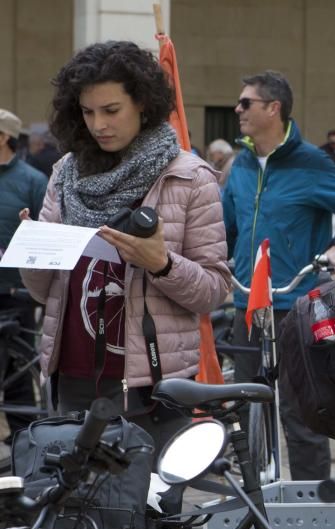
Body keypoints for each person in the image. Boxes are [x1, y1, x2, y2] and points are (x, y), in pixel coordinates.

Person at [18, 40, 230, 465]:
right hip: (72, 376)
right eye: (88, 111)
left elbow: (214, 291)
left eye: (111, 110)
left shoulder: (189, 178)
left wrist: (162, 264)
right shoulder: (64, 173)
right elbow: (44, 293)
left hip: (151, 386)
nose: (98, 124)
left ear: (144, 105)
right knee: (76, 517)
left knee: (146, 517)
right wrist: (35, 249)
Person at [223, 70, 335, 481]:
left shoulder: (311, 163)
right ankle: (254, 507)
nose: (238, 109)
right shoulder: (241, 165)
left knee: (301, 416)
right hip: (247, 308)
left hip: (295, 310)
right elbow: (225, 228)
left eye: (246, 103)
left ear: (273, 108)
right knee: (245, 415)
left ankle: (311, 508)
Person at [0, 108, 47, 441]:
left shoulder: (33, 181)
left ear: (4, 137)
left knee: (17, 377)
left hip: (16, 293)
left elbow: (45, 236)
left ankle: (22, 446)